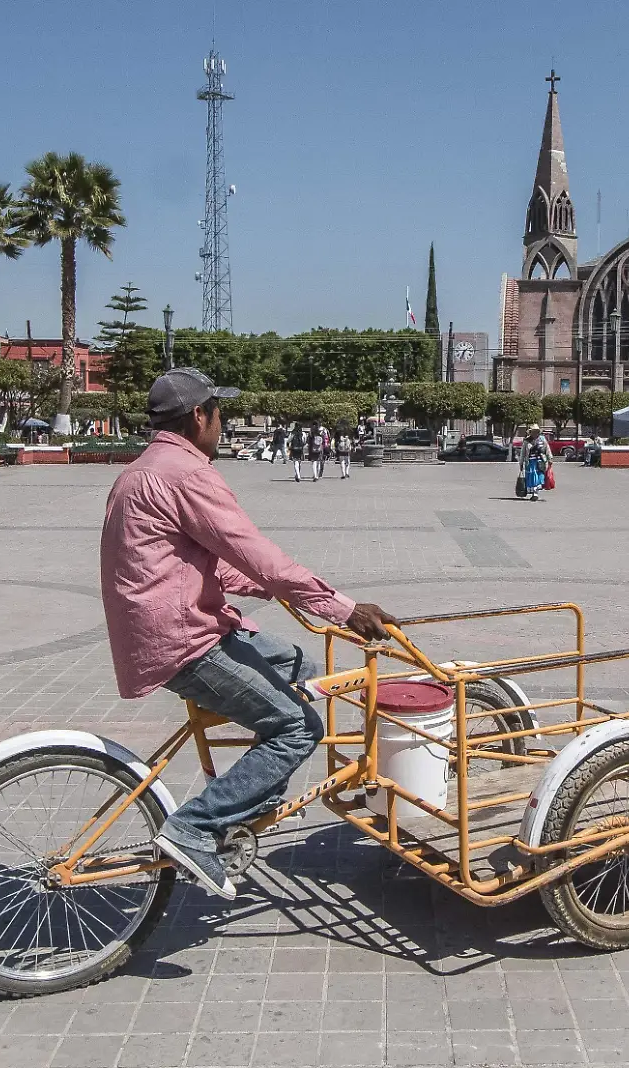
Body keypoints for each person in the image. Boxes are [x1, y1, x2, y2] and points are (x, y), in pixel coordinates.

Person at [99, 368, 396, 898]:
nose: (223, 422)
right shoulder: (186, 474)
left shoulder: (141, 470)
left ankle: (245, 810)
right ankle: (196, 828)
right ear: (199, 416)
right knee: (298, 729)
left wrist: (282, 590)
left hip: (172, 624)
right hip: (186, 639)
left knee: (302, 670)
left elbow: (218, 564)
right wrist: (340, 607)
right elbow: (254, 552)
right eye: (219, 412)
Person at [521, 426, 550, 501]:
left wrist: (550, 458)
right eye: (533, 431)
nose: (535, 433)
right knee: (533, 477)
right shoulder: (527, 441)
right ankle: (534, 493)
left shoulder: (542, 439)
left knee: (540, 477)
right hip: (530, 462)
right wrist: (521, 463)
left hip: (540, 461)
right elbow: (523, 453)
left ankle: (535, 492)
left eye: (536, 431)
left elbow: (547, 449)